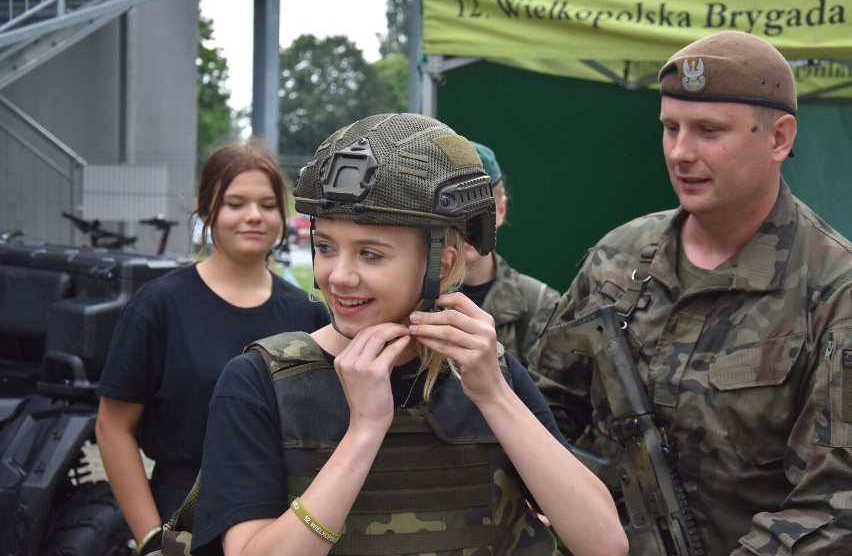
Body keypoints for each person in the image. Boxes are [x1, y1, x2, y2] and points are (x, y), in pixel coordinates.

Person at [191, 113, 627, 556]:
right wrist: (364, 431)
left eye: (370, 254)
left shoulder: (488, 377)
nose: (339, 276)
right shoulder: (259, 383)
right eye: (325, 247)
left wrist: (495, 396)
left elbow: (604, 543)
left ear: (440, 263)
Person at [529, 30, 852, 555]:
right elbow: (543, 408)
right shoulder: (618, 258)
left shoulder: (834, 290)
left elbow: (836, 502)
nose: (681, 152)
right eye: (671, 128)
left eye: (709, 131)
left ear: (779, 139)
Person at [95, 142, 330, 553]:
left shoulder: (307, 312)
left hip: (285, 518)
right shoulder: (159, 305)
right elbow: (113, 428)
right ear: (206, 210)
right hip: (183, 516)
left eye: (268, 204)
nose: (254, 216)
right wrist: (151, 539)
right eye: (235, 203)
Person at [462, 141, 560, 368]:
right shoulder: (411, 301)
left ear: (501, 211)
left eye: (480, 209)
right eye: (450, 207)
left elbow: (549, 402)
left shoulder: (538, 305)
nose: (465, 223)